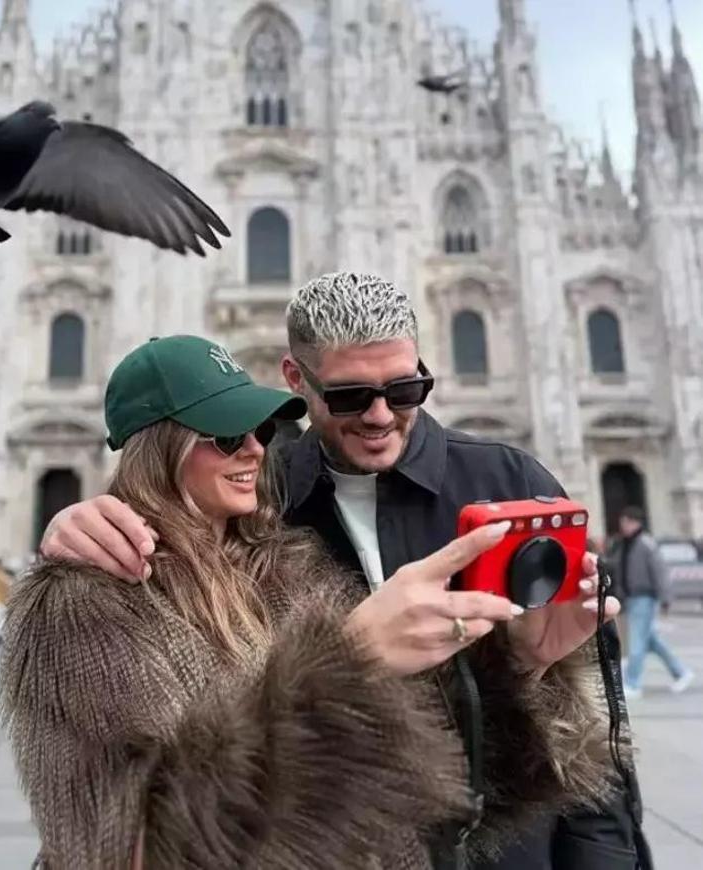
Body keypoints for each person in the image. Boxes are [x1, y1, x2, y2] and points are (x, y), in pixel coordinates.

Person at [40, 273, 647, 870]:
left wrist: (525, 670)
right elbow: (125, 825)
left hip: (507, 846)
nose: (381, 416)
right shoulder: (268, 512)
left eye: (406, 390)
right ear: (296, 380)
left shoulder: (511, 484)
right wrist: (78, 524)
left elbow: (593, 739)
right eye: (350, 396)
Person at [617, 505, 694, 699]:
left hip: (644, 597)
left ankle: (633, 684)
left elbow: (660, 572)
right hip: (632, 598)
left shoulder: (645, 543)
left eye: (625, 522)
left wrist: (666, 598)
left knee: (636, 642)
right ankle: (681, 672)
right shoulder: (628, 543)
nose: (622, 526)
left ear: (634, 522)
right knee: (651, 641)